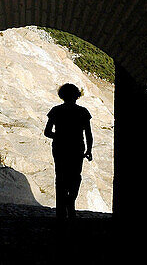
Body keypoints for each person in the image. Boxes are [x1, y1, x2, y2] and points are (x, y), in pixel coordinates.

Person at [44, 83, 93, 220]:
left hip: (60, 147)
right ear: (77, 96)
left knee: (60, 177)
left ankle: (61, 210)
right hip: (77, 147)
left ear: (62, 96)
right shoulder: (83, 112)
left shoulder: (55, 110)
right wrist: (89, 149)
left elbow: (47, 132)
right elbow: (88, 134)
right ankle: (70, 203)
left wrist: (60, 136)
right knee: (75, 176)